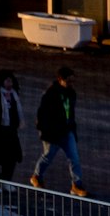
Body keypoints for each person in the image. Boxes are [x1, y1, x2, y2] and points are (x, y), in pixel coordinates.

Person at [31, 68, 84, 196]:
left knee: (74, 158)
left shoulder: (71, 93)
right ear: (61, 79)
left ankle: (76, 185)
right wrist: (44, 130)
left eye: (73, 80)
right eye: (69, 80)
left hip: (67, 130)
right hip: (53, 132)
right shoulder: (51, 94)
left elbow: (70, 113)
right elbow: (42, 114)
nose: (71, 83)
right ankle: (36, 176)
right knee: (48, 156)